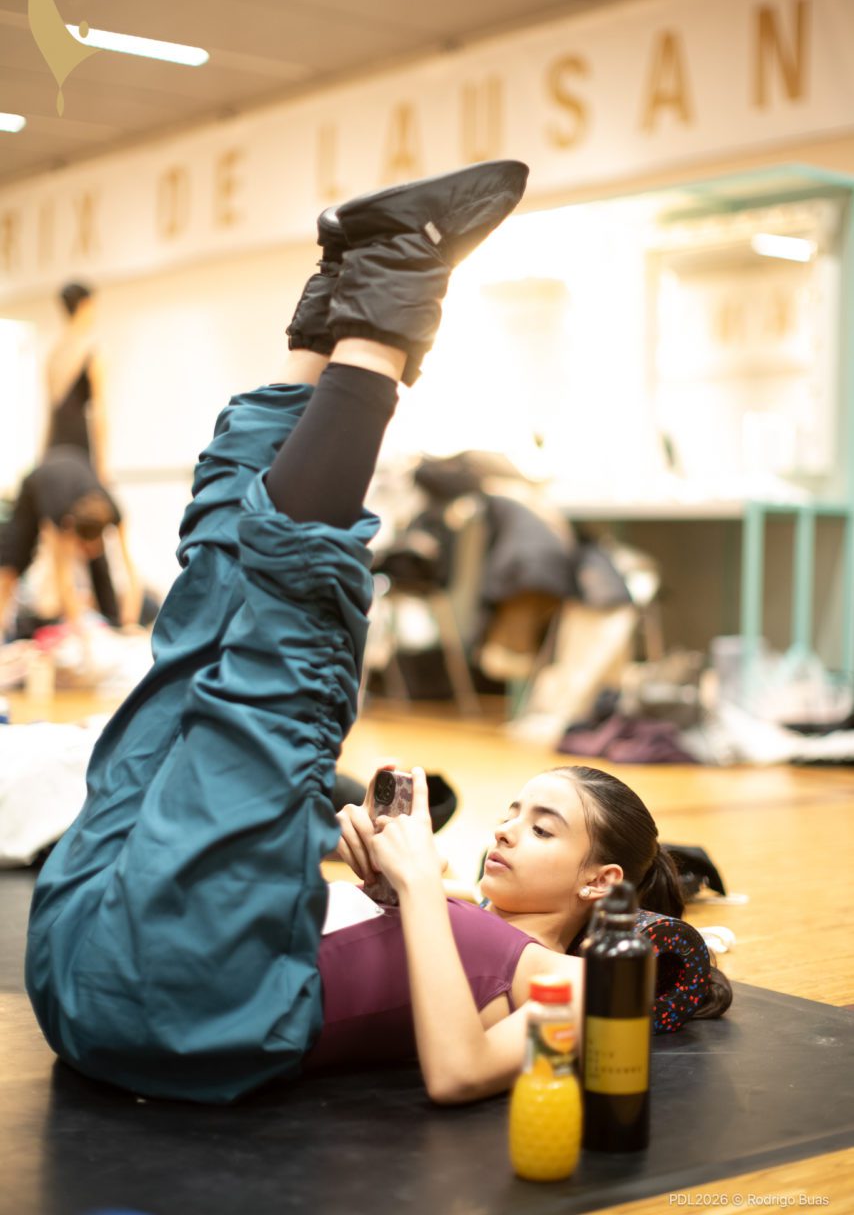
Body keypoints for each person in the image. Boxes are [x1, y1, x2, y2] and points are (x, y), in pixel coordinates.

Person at [24, 160, 726, 1110]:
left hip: (178, 1011)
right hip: (89, 960)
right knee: (210, 618)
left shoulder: (568, 978)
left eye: (542, 826)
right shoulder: (450, 909)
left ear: (600, 884)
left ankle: (395, 281)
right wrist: (393, 884)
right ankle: (338, 299)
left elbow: (460, 1071)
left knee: (286, 657)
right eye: (518, 810)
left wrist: (420, 886)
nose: (506, 829)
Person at [0, 446, 143, 638]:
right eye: (84, 547)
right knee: (12, 563)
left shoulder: (114, 512)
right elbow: (63, 577)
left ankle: (113, 622)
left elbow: (130, 569)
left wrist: (130, 623)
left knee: (100, 569)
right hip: (38, 483)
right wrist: (80, 632)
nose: (87, 553)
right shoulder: (62, 517)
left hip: (75, 468)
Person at [44, 283, 107, 478]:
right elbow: (98, 411)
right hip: (79, 445)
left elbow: (51, 413)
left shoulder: (53, 355)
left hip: (55, 446)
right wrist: (102, 465)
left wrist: (43, 455)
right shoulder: (90, 351)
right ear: (83, 305)